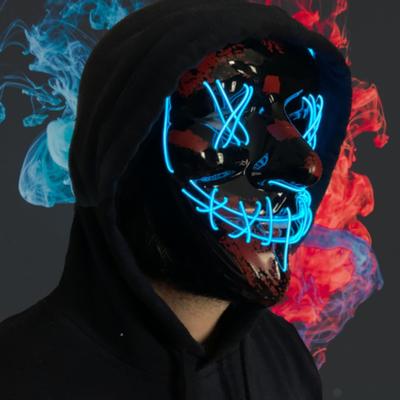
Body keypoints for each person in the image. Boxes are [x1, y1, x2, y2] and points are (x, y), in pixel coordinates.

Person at [0, 1, 352, 399]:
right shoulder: (15, 377)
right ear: (121, 152)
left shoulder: (286, 362)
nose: (306, 166)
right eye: (227, 109)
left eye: (301, 118)